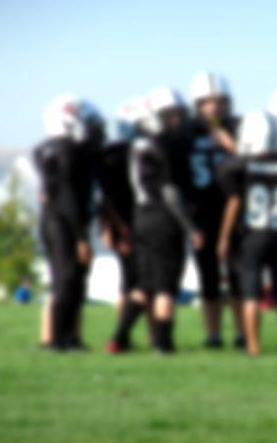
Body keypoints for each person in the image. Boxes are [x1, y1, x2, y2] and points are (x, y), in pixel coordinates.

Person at [113, 87, 203, 354]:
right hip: (164, 218)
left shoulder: (137, 144)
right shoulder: (161, 146)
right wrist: (191, 227)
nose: (176, 121)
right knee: (166, 285)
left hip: (142, 215)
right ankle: (163, 343)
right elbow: (170, 192)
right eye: (169, 115)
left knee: (144, 284)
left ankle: (119, 337)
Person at [218, 111, 277, 356]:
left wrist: (224, 237)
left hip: (253, 235)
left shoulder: (239, 166)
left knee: (251, 293)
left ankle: (254, 346)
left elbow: (234, 202)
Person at [34, 94, 104, 351]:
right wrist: (81, 237)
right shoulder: (68, 151)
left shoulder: (52, 149)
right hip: (63, 222)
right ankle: (58, 339)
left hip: (57, 220)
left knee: (69, 280)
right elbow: (68, 198)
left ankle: (67, 337)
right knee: (67, 280)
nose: (95, 129)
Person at [188, 71, 244, 348]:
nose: (215, 107)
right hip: (201, 211)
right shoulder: (188, 131)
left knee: (236, 275)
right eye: (208, 102)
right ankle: (213, 334)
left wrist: (229, 143)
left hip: (233, 208)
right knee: (207, 276)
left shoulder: (238, 126)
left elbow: (252, 160)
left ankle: (240, 332)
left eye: (220, 101)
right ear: (197, 104)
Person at [98, 98, 146, 353]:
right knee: (140, 283)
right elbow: (112, 199)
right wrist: (120, 229)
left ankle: (123, 334)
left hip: (119, 226)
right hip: (130, 226)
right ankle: (122, 335)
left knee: (127, 283)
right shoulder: (124, 158)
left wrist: (107, 227)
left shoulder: (104, 158)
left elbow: (102, 200)